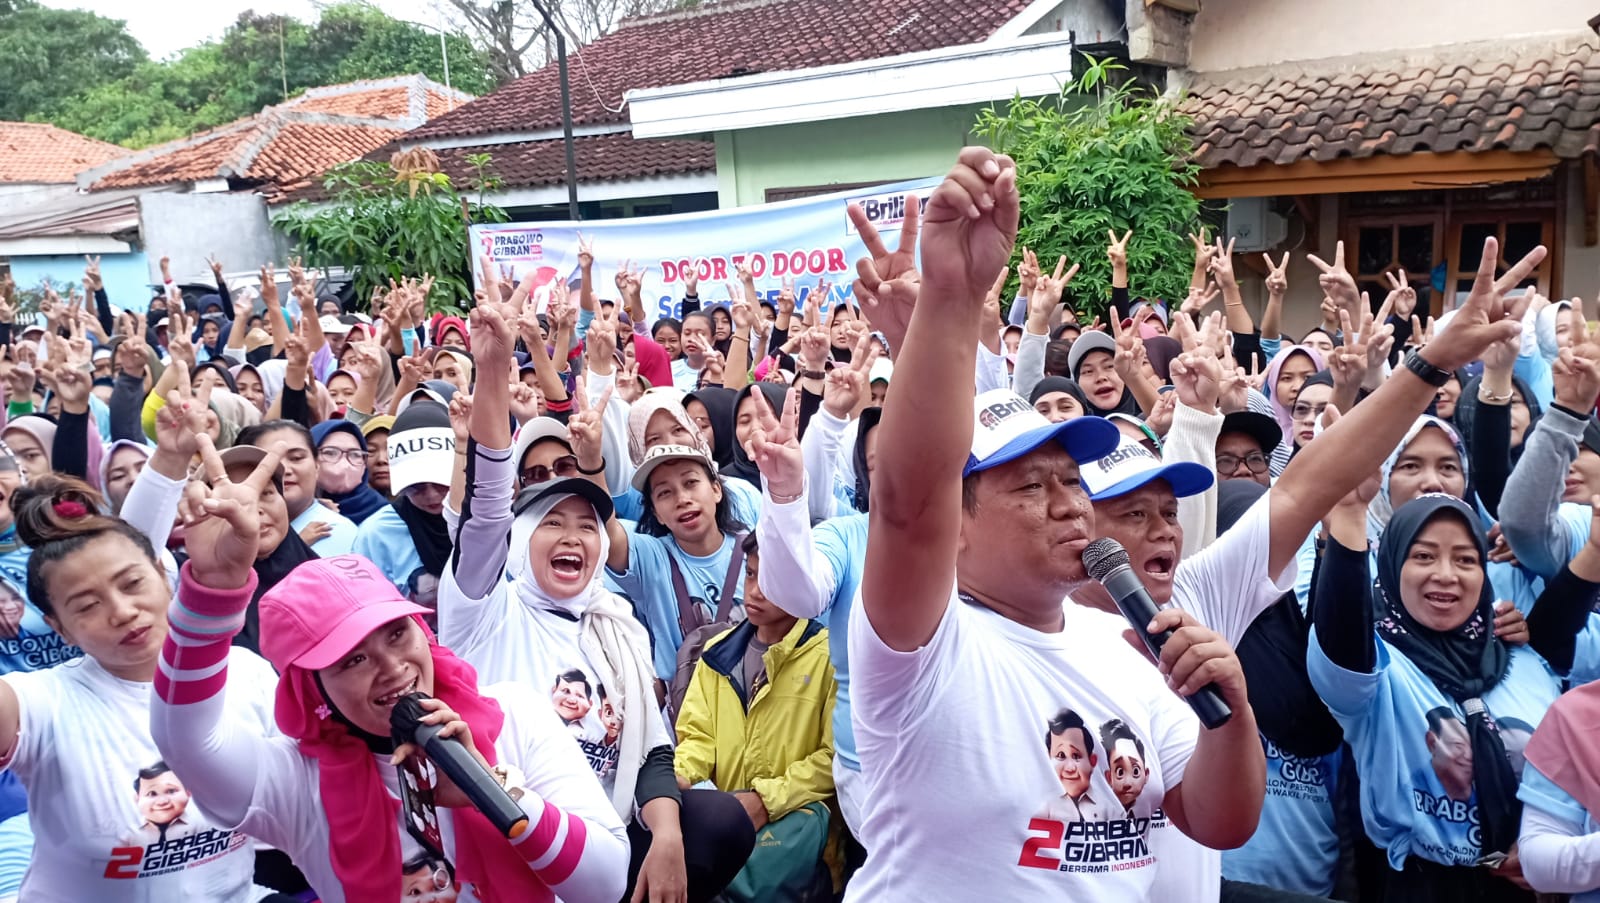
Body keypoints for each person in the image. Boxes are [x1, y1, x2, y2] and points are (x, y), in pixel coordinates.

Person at [845, 147, 1265, 900]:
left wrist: (1229, 716)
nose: (1070, 503)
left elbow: (1215, 818)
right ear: (958, 526)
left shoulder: (1128, 645)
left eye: (1073, 480)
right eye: (1032, 486)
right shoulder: (922, 653)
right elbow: (908, 504)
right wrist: (949, 295)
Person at [1310, 484, 1600, 900]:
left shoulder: (1524, 658)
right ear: (1391, 565)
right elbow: (1339, 633)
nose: (1446, 574)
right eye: (1423, 556)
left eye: (1465, 559)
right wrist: (1350, 515)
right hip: (1422, 887)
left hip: (1538, 888)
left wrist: (1541, 851)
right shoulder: (1378, 671)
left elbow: (1563, 616)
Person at [0, 472, 278, 899]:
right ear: (60, 628)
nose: (123, 611)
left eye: (132, 584)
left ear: (162, 573)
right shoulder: (42, 702)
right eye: (88, 605)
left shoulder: (248, 674)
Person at [673, 532, 837, 896]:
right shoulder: (717, 653)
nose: (755, 591)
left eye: (770, 580)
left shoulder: (829, 657)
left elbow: (833, 758)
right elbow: (698, 736)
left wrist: (766, 799)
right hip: (733, 821)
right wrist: (679, 774)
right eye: (750, 574)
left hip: (796, 829)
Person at [355, 400, 455, 611]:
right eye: (415, 485)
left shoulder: (485, 521)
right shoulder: (376, 534)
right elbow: (369, 609)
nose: (431, 494)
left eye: (441, 481)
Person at [235, 421, 357, 557]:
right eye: (271, 460)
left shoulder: (332, 529)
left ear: (317, 465)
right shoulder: (234, 530)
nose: (285, 469)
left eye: (296, 458)